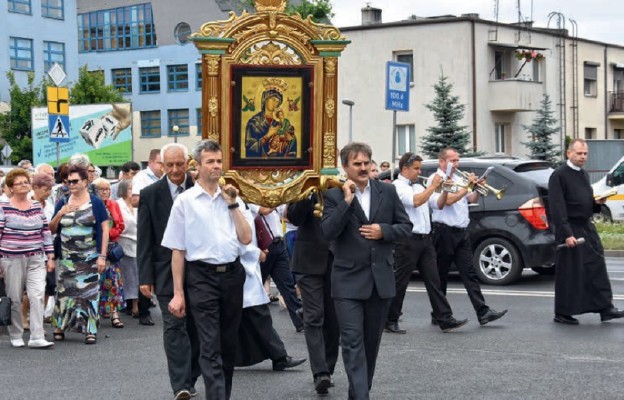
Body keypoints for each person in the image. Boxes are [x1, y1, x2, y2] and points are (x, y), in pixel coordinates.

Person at [321, 142, 412, 400]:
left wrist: (384, 231)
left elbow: (406, 226)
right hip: (347, 283)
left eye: (366, 163)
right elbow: (327, 233)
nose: (363, 168)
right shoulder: (334, 195)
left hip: (380, 281)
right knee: (351, 343)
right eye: (356, 164)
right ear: (345, 167)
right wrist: (346, 202)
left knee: (370, 346)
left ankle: (359, 392)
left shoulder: (387, 191)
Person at [163, 139, 252, 400]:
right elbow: (177, 250)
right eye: (210, 161)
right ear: (197, 166)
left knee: (228, 343)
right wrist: (178, 293)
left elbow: (246, 238)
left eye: (219, 161)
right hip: (201, 277)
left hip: (233, 275)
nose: (216, 166)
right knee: (210, 343)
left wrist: (233, 205)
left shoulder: (233, 196)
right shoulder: (185, 202)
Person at [137, 143, 200, 399]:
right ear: (161, 165)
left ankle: (192, 375)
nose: (175, 170)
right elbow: (145, 237)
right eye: (169, 165)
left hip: (199, 272)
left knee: (197, 328)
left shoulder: (200, 189)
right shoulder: (150, 193)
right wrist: (145, 277)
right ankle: (181, 385)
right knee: (174, 326)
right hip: (163, 271)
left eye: (179, 164)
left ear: (188, 163)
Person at [386, 152, 468, 334]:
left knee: (434, 281)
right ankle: (390, 319)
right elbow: (415, 202)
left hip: (425, 239)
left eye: (420, 168)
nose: (419, 171)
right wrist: (432, 186)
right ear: (405, 169)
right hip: (408, 240)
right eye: (416, 168)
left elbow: (437, 204)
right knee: (401, 282)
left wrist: (445, 189)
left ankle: (444, 318)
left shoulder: (419, 186)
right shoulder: (398, 186)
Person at [548, 138, 624, 325]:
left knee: (596, 265)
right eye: (579, 153)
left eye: (585, 153)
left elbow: (585, 200)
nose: (583, 157)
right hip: (570, 229)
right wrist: (567, 234)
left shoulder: (583, 174)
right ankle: (563, 312)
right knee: (570, 271)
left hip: (586, 226)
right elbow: (558, 207)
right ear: (569, 153)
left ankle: (605, 308)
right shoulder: (559, 175)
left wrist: (596, 204)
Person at [430, 148, 507, 326]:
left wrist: (478, 188)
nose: (457, 164)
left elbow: (470, 198)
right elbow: (447, 201)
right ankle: (438, 313)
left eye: (458, 160)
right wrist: (468, 187)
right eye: (453, 161)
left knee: (470, 273)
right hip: (444, 232)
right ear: (442, 162)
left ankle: (483, 312)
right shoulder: (437, 180)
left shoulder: (458, 178)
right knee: (441, 276)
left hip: (461, 232)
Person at [49, 165, 109, 345]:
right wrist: (60, 213)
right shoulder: (63, 201)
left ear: (85, 182)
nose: (71, 184)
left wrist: (102, 256)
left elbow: (105, 229)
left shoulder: (95, 202)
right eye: (68, 181)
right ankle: (60, 326)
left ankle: (90, 329)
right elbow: (51, 229)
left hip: (89, 256)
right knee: (65, 293)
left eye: (75, 181)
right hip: (67, 258)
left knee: (89, 294)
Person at [235, 222, 306, 372]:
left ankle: (279, 356)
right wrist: (256, 252)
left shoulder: (240, 204)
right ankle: (279, 356)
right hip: (241, 265)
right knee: (256, 315)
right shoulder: (237, 205)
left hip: (257, 257)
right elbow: (237, 237)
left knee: (252, 315)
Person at [288, 195, 340, 395]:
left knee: (333, 319)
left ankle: (328, 367)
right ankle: (320, 373)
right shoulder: (302, 185)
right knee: (314, 316)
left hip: (337, 260)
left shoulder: (339, 184)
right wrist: (307, 194)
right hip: (308, 260)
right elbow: (294, 217)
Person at [0, 168, 55, 348]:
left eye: (26, 182)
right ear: (10, 187)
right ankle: (16, 334)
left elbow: (45, 232)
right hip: (11, 258)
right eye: (19, 183)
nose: (24, 185)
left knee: (37, 294)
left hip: (36, 257)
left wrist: (50, 255)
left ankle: (37, 336)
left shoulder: (37, 206)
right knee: (15, 297)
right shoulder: (4, 207)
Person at [250, 204, 303, 332]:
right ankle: (246, 322)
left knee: (288, 286)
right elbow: (264, 210)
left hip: (279, 244)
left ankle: (301, 321)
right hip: (264, 247)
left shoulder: (271, 198)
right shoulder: (251, 196)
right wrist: (277, 199)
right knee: (255, 287)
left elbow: (285, 215)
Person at [93, 177, 126, 328]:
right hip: (97, 248)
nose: (105, 192)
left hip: (112, 247)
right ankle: (96, 314)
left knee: (114, 281)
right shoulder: (92, 205)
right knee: (97, 282)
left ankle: (114, 314)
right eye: (101, 189)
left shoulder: (114, 204)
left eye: (107, 189)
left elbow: (121, 224)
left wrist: (111, 233)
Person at [116, 179, 139, 318]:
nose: (133, 191)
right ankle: (125, 303)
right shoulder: (118, 204)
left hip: (138, 243)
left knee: (136, 275)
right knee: (126, 276)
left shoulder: (137, 205)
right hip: (123, 243)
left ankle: (136, 304)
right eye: (130, 188)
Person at [245, 80, 285, 157]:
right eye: (273, 99)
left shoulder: (276, 124)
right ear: (265, 99)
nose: (275, 103)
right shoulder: (254, 123)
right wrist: (267, 136)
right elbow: (249, 149)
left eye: (277, 102)